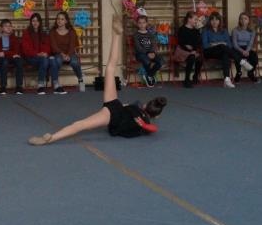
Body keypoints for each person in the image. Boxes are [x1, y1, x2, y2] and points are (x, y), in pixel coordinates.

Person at [29, 16, 166, 145]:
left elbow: (130, 108)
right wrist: (142, 123)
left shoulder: (138, 111)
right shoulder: (143, 126)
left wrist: (136, 113)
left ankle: (116, 35)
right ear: (156, 117)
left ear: (145, 105)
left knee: (110, 68)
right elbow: (145, 129)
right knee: (80, 125)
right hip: (113, 115)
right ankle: (51, 138)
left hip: (114, 107)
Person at [202, 11, 242, 89]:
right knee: (222, 46)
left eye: (216, 19)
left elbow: (230, 45)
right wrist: (219, 43)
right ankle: (240, 60)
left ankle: (227, 80)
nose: (214, 22)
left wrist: (215, 44)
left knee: (225, 54)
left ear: (220, 21)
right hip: (209, 52)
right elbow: (205, 45)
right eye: (212, 19)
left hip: (221, 52)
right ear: (209, 21)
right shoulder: (206, 30)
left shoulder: (224, 31)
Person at [48, 11, 84, 94]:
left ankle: (80, 79)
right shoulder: (52, 32)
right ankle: (56, 84)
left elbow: (72, 45)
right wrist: (63, 55)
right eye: (58, 19)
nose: (59, 21)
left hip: (70, 53)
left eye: (62, 19)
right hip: (58, 54)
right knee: (56, 61)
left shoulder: (71, 31)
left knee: (75, 62)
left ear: (66, 21)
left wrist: (68, 55)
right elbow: (54, 46)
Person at [20, 13, 52, 95]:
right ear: (31, 22)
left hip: (41, 58)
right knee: (45, 60)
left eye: (37, 21)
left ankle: (41, 85)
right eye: (33, 21)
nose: (35, 23)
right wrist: (38, 54)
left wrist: (45, 53)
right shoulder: (26, 33)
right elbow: (26, 50)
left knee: (47, 60)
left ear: (40, 22)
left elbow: (47, 46)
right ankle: (41, 85)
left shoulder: (43, 33)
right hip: (30, 57)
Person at [0, 18, 24, 95]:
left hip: (11, 57)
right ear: (1, 28)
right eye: (6, 26)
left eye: (10, 26)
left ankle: (19, 86)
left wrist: (5, 53)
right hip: (0, 58)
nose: (8, 28)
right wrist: (10, 54)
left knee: (19, 61)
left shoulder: (14, 38)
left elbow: (16, 51)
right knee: (4, 62)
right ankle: (3, 87)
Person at [133, 14, 162, 88]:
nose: (142, 25)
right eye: (140, 23)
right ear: (137, 24)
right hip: (140, 54)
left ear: (146, 23)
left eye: (143, 22)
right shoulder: (136, 35)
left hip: (151, 53)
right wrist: (147, 53)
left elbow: (153, 44)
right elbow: (138, 47)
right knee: (147, 61)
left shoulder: (150, 34)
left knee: (160, 61)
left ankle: (149, 75)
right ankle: (150, 76)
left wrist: (152, 52)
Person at [175, 11, 202, 88]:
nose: (196, 21)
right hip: (182, 50)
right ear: (189, 19)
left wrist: (194, 50)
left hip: (192, 50)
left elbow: (197, 43)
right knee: (191, 57)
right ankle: (186, 80)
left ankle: (195, 76)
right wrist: (188, 49)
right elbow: (181, 42)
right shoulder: (182, 29)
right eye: (195, 19)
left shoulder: (196, 31)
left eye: (197, 20)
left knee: (200, 59)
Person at [231, 12, 258, 83]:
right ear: (239, 20)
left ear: (248, 20)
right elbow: (235, 44)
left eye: (245, 19)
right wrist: (242, 51)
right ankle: (238, 73)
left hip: (248, 48)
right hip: (238, 48)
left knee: (254, 57)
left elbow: (251, 43)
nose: (243, 20)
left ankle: (251, 73)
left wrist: (247, 51)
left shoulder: (252, 31)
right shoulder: (235, 30)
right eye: (241, 19)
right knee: (236, 56)